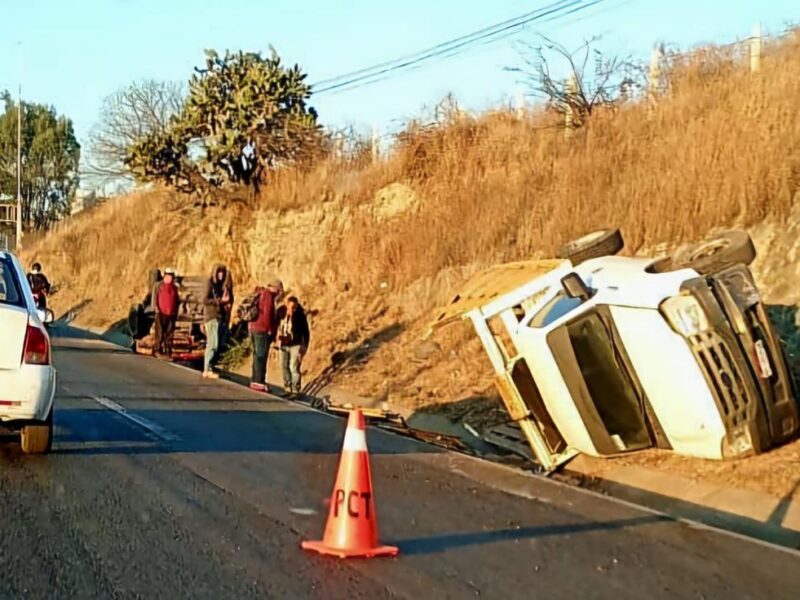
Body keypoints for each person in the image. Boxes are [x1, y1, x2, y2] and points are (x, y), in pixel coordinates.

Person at [248, 279, 283, 392]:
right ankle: (259, 381)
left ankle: (255, 379)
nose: (280, 292)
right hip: (262, 329)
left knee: (257, 355)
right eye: (279, 289)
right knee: (261, 355)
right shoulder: (268, 295)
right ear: (276, 288)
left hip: (254, 328)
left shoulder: (261, 293)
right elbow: (267, 314)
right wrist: (269, 330)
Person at [275, 295, 310, 396]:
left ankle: (295, 389)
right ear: (286, 305)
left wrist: (305, 345)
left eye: (294, 307)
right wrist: (275, 340)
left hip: (296, 343)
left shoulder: (300, 315)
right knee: (283, 365)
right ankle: (287, 387)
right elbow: (276, 326)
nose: (292, 309)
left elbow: (305, 331)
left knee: (293, 366)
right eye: (290, 307)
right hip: (283, 343)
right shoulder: (281, 312)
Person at [202, 264, 233, 379]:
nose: (221, 275)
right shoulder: (210, 283)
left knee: (217, 343)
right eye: (219, 272)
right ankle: (206, 369)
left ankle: (210, 367)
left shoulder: (221, 286)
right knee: (212, 343)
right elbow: (205, 299)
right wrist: (220, 301)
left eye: (223, 273)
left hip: (219, 317)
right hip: (211, 316)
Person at [152, 267, 180, 358]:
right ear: (165, 275)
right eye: (168, 275)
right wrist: (156, 308)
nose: (170, 277)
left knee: (169, 334)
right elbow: (154, 296)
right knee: (159, 333)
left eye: (171, 276)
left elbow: (177, 300)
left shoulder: (174, 287)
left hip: (171, 314)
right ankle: (157, 350)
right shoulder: (159, 285)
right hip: (160, 312)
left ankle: (168, 351)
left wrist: (176, 312)